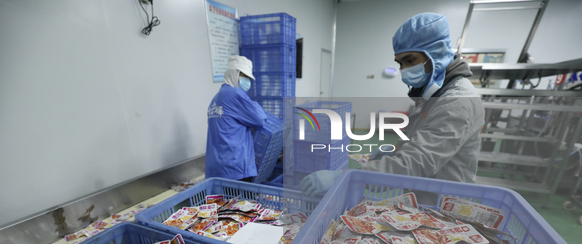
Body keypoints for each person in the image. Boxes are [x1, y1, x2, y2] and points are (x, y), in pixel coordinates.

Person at [300, 13, 485, 197]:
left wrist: (344, 176)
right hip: (423, 196)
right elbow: (419, 136)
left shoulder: (456, 102)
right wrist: (394, 149)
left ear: (436, 52)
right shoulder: (434, 93)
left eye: (410, 60)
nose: (404, 70)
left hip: (444, 204)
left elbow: (415, 162)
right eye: (400, 63)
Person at [205, 55, 267, 181]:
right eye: (246, 77)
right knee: (243, 201)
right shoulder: (235, 94)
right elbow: (260, 119)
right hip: (235, 168)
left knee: (225, 201)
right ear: (236, 74)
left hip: (217, 169)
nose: (248, 82)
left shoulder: (216, 99)